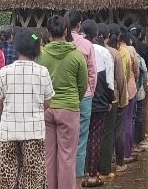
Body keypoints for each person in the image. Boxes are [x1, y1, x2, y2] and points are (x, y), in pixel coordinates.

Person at [0, 29, 55, 189]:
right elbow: (48, 102)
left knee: (7, 176)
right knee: (33, 177)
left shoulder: (5, 71)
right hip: (34, 132)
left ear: (17, 47)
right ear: (37, 48)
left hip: (8, 132)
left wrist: (6, 114)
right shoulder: (42, 72)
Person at [38, 14, 89, 189]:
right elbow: (83, 85)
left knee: (48, 155)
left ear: (48, 33)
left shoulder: (41, 56)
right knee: (67, 156)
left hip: (46, 108)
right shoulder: (76, 55)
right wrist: (75, 100)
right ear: (66, 31)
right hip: (69, 108)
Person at [84, 19, 116, 188]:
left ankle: (80, 172)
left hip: (81, 99)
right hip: (99, 100)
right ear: (97, 34)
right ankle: (93, 174)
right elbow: (109, 81)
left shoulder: (78, 49)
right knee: (96, 137)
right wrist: (110, 100)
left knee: (82, 137)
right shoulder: (103, 52)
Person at [67, 11, 98, 182]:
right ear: (79, 25)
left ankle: (62, 178)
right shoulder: (86, 45)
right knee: (81, 138)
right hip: (84, 97)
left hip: (61, 97)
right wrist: (90, 92)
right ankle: (77, 177)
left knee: (63, 139)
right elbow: (92, 73)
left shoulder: (58, 43)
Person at [98, 24, 127, 181]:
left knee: (95, 132)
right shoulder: (114, 53)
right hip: (112, 97)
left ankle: (92, 166)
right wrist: (122, 98)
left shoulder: (91, 50)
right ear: (107, 35)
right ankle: (106, 167)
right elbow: (121, 78)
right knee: (109, 133)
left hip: (95, 97)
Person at [118, 27, 140, 165]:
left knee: (116, 124)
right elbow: (135, 69)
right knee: (128, 121)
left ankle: (116, 153)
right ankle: (127, 152)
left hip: (114, 90)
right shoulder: (130, 50)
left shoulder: (110, 50)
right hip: (129, 88)